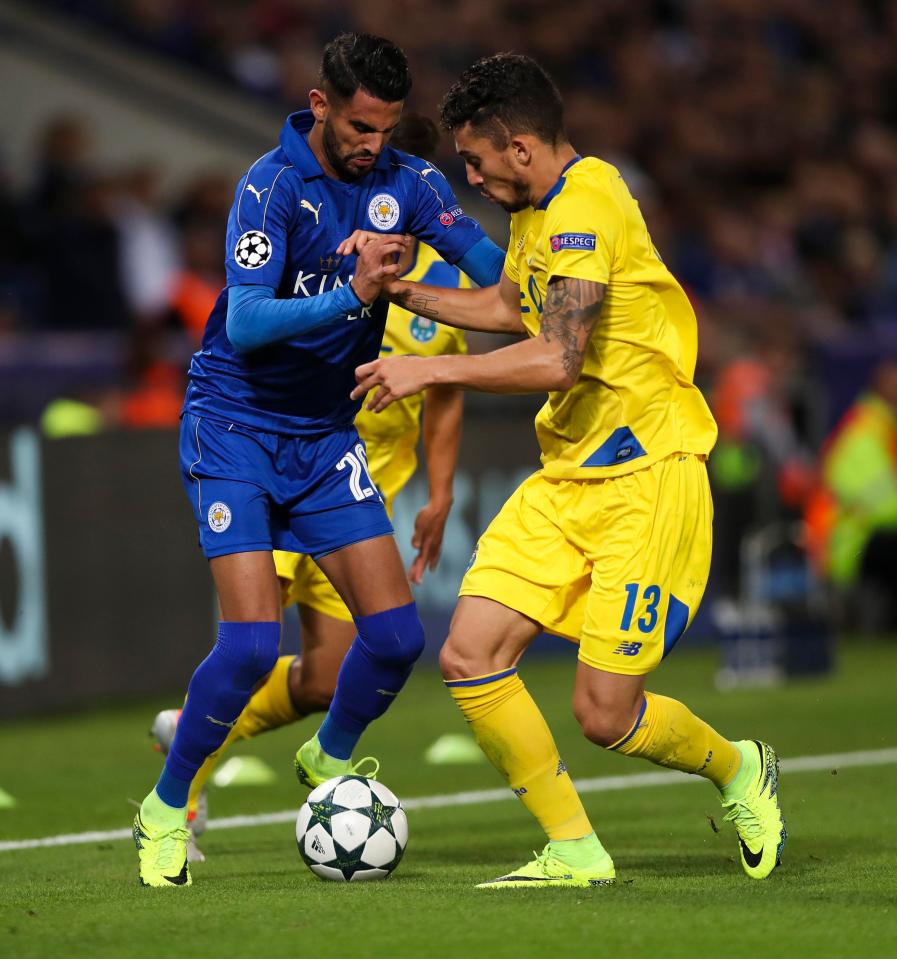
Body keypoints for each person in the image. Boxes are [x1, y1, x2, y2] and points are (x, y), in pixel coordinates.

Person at [352, 53, 787, 888]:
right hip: (568, 475)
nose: (468, 176)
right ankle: (575, 849)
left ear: (519, 147)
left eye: (475, 159)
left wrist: (429, 369)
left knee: (603, 713)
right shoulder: (535, 210)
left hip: (648, 475)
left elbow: (556, 355)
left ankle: (737, 767)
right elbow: (512, 309)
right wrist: (400, 292)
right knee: (468, 650)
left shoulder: (588, 202)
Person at [133, 34, 504, 888]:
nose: (374, 143)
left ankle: (325, 753)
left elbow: (495, 282)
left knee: (397, 635)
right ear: (321, 104)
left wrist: (510, 283)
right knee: (253, 642)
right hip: (234, 427)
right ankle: (165, 805)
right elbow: (246, 322)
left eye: (388, 128)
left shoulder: (410, 186)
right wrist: (356, 294)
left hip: (323, 436)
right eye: (362, 126)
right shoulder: (268, 187)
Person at [805, 355, 897, 630]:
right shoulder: (864, 432)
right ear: (881, 388)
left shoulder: (882, 428)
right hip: (849, 545)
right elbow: (881, 504)